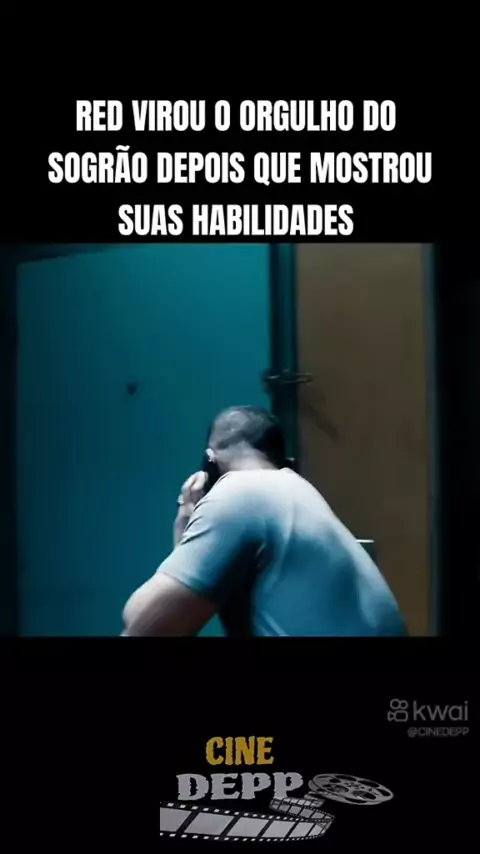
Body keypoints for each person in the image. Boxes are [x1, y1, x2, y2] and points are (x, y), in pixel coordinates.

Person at [122, 406, 407, 637]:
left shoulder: (239, 493)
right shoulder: (298, 491)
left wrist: (184, 524)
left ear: (210, 462)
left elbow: (143, 626)